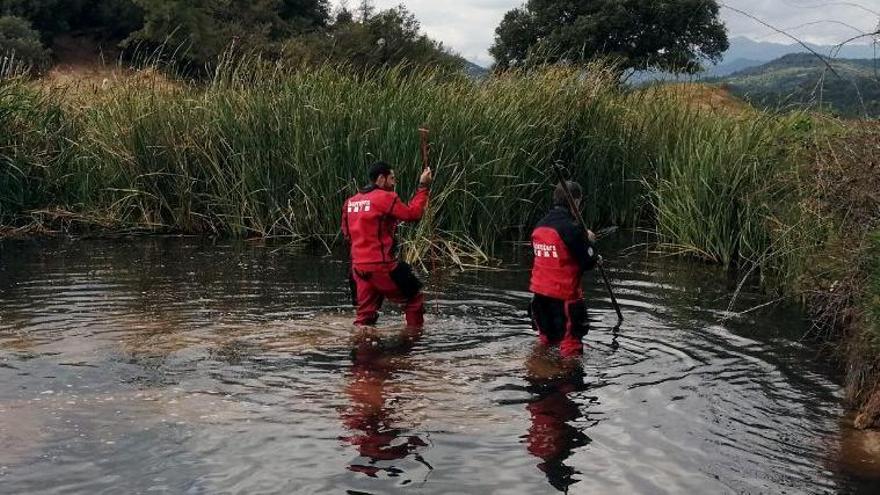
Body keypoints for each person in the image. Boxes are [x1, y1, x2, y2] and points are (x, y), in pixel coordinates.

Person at [342, 161, 433, 328]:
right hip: (381, 266)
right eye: (392, 178)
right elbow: (413, 214)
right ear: (381, 179)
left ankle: (361, 345)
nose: (394, 183)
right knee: (414, 300)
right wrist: (423, 187)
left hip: (358, 268)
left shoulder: (351, 201)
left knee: (365, 315)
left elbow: (347, 234)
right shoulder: (385, 197)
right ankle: (415, 343)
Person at [528, 181, 599, 358]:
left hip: (539, 298)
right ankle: (567, 383)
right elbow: (588, 262)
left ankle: (537, 372)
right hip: (565, 300)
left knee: (546, 340)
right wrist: (589, 241)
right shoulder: (572, 229)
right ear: (575, 202)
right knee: (571, 346)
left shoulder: (539, 226)